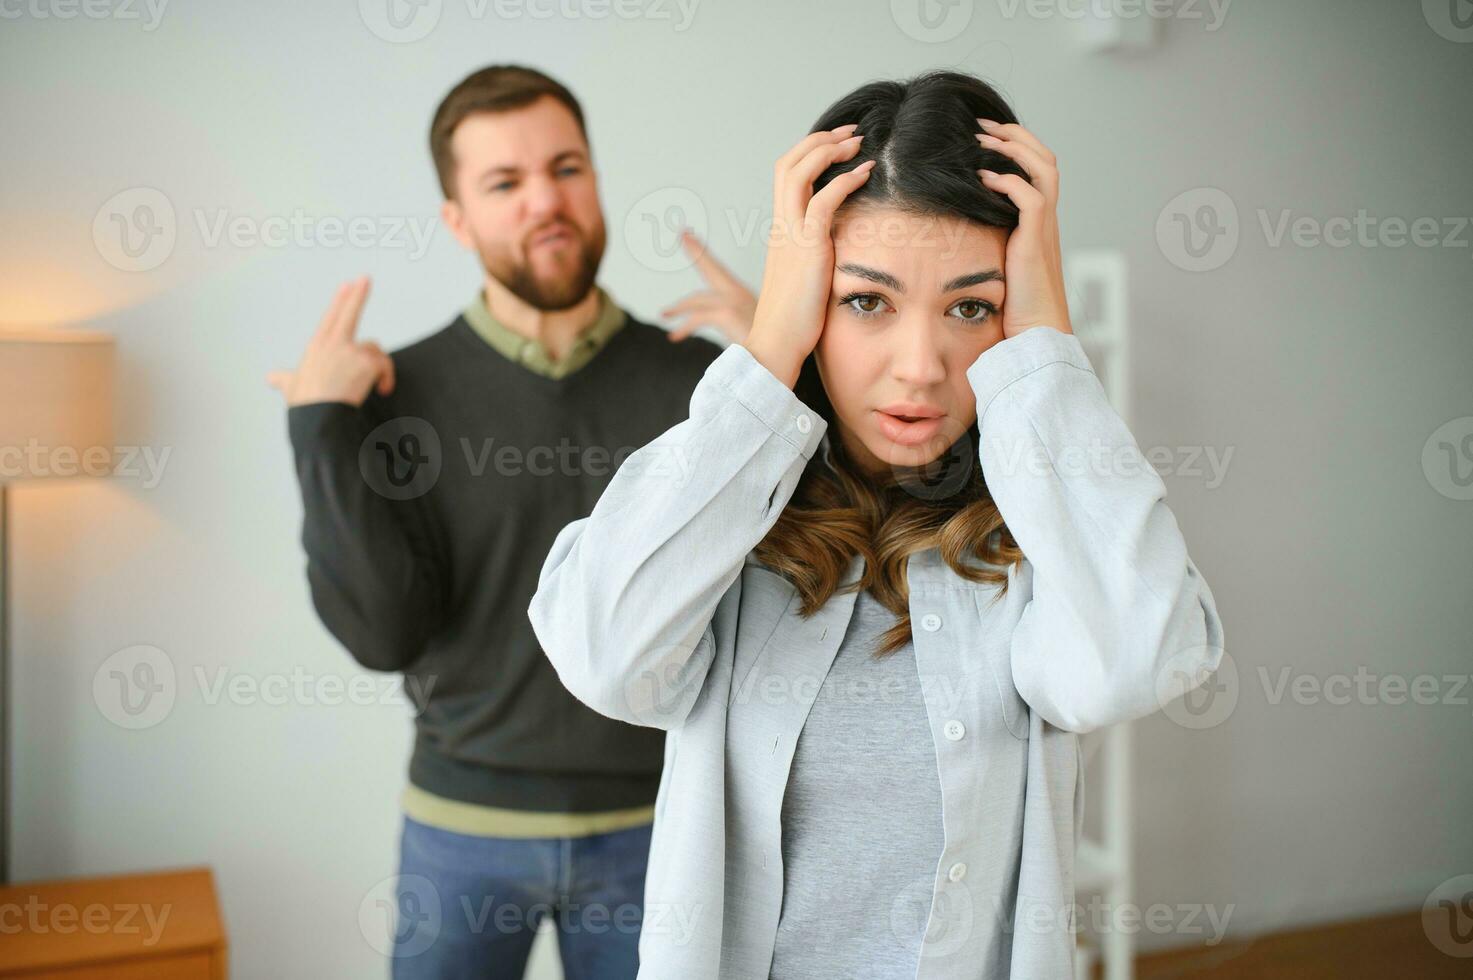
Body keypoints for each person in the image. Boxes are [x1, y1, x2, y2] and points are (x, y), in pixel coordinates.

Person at [528, 69, 1227, 978]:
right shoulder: (727, 533)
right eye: (866, 301)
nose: (920, 367)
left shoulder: (1035, 546)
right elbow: (607, 657)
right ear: (810, 297)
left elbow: (1138, 655)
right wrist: (768, 338)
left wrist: (1047, 342)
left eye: (970, 306)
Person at [268, 65, 754, 979]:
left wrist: (791, 375)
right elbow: (381, 635)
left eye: (566, 167)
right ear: (457, 218)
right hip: (460, 838)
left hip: (660, 831)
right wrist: (319, 428)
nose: (546, 201)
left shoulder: (703, 389)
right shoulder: (389, 398)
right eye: (505, 182)